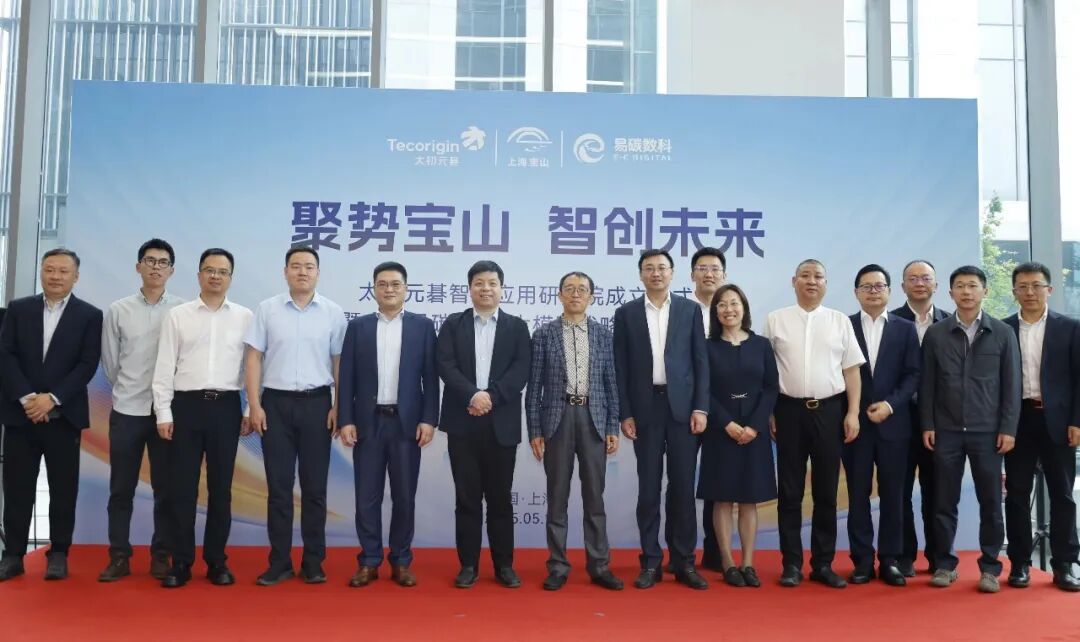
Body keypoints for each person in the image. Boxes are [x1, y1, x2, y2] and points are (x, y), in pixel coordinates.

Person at [244, 247, 346, 586]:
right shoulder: (267, 309)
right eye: (296, 266)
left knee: (315, 489)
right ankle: (280, 562)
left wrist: (338, 406)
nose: (302, 272)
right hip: (275, 405)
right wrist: (254, 405)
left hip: (318, 405)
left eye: (309, 266)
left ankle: (314, 561)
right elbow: (254, 358)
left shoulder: (332, 313)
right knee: (279, 488)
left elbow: (338, 363)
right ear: (285, 271)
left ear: (318, 272)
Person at [0, 248, 103, 582]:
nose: (55, 276)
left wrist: (52, 399)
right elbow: (6, 355)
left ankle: (58, 553)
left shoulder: (90, 315)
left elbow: (87, 363)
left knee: (63, 489)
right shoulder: (19, 309)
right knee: (17, 488)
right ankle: (13, 555)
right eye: (49, 269)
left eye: (63, 271)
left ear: (76, 276)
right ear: (42, 272)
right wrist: (29, 398)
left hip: (64, 417)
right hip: (21, 415)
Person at [152, 248, 253, 588]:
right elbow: (164, 366)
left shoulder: (245, 317)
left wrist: (249, 409)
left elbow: (252, 368)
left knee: (221, 490)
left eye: (222, 271)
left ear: (230, 278)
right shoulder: (178, 316)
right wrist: (163, 412)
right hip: (186, 406)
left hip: (226, 407)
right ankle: (180, 562)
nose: (215, 276)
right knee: (182, 489)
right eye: (209, 270)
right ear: (198, 275)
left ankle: (216, 562)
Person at [613, 249, 709, 590]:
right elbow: (620, 367)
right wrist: (625, 412)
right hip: (646, 409)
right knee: (649, 489)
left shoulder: (689, 310)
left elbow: (700, 361)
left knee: (683, 487)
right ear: (641, 274)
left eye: (662, 268)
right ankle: (650, 561)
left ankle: (684, 562)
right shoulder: (626, 314)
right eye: (649, 268)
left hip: (682, 409)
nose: (656, 273)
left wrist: (701, 408)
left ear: (672, 273)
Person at [763, 259, 863, 589]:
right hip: (787, 411)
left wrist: (852, 412)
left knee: (826, 491)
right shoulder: (775, 320)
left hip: (830, 411)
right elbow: (766, 372)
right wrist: (770, 412)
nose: (811, 281)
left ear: (826, 283)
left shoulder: (839, 321)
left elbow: (852, 371)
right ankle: (791, 563)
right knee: (790, 491)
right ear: (793, 281)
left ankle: (823, 563)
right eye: (805, 275)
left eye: (818, 276)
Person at [338, 261, 438, 588]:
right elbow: (347, 376)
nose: (389, 289)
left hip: (406, 425)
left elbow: (430, 379)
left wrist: (428, 419)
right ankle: (369, 561)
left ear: (406, 289)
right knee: (366, 497)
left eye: (395, 284)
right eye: (382, 284)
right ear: (374, 289)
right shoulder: (359, 327)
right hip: (368, 423)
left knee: (404, 496)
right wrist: (345, 419)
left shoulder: (423, 327)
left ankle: (401, 560)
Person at [921, 265, 1020, 593]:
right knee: (943, 500)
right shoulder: (936, 334)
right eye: (960, 286)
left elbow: (1012, 384)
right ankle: (945, 564)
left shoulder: (1002, 333)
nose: (966, 291)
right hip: (946, 430)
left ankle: (990, 567)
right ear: (950, 293)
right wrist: (928, 423)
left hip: (988, 432)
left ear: (985, 291)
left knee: (991, 502)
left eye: (973, 285)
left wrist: (1008, 427)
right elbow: (927, 384)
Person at [526, 271, 623, 591]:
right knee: (557, 497)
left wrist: (612, 425)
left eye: (582, 289)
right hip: (558, 418)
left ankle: (599, 565)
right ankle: (557, 565)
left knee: (595, 497)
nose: (576, 294)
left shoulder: (603, 335)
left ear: (592, 297)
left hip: (594, 419)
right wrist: (535, 429)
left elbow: (611, 383)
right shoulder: (544, 334)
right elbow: (534, 387)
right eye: (569, 288)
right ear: (559, 295)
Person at [437, 260, 531, 589]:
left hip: (501, 424)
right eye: (479, 283)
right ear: (470, 288)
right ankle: (468, 565)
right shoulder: (453, 324)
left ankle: (504, 565)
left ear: (501, 288)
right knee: (467, 499)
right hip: (462, 423)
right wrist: (473, 395)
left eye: (492, 283)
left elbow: (521, 370)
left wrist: (490, 397)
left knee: (500, 499)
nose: (486, 289)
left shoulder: (517, 327)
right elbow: (445, 365)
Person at [98, 239, 185, 582]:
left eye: (163, 262)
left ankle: (161, 555)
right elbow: (110, 364)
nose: (156, 267)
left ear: (172, 271)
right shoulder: (118, 310)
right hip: (127, 410)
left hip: (167, 414)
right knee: (121, 488)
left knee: (166, 489)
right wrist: (129, 389)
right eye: (150, 261)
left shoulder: (182, 310)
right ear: (138, 267)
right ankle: (119, 555)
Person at [1002, 261, 1080, 591]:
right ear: (1014, 291)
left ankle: (1064, 564)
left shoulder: (1070, 327)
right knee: (1017, 493)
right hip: (1018, 420)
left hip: (1059, 421)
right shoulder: (1003, 328)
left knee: (1062, 494)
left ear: (1049, 289)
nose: (1029, 292)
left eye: (1036, 285)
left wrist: (1077, 420)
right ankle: (1020, 563)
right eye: (1022, 286)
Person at [842, 264, 920, 587]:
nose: (873, 291)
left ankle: (890, 560)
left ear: (889, 290)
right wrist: (853, 411)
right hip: (855, 426)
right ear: (856, 292)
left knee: (894, 495)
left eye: (879, 286)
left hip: (894, 424)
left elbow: (913, 374)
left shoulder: (905, 328)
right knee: (857, 495)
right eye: (867, 286)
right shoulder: (843, 326)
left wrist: (890, 405)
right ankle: (862, 561)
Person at [696, 283, 777, 588]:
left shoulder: (761, 345)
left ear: (744, 308)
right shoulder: (707, 347)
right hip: (720, 430)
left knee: (749, 499)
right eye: (722, 305)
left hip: (754, 432)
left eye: (734, 303)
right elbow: (703, 389)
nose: (728, 309)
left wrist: (755, 426)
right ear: (715, 312)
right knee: (722, 498)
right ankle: (728, 562)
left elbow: (771, 388)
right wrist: (726, 423)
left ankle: (748, 563)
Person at [892, 259, 950, 577]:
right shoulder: (890, 321)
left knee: (937, 491)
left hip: (941, 422)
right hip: (900, 418)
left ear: (936, 285)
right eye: (912, 279)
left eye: (925, 278)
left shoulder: (951, 322)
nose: (919, 283)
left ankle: (939, 556)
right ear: (902, 286)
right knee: (900, 491)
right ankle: (904, 556)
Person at [671, 246, 726, 572]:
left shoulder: (731, 309)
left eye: (715, 268)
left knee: (717, 481)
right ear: (692, 274)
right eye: (702, 268)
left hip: (722, 407)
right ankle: (680, 554)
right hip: (684, 407)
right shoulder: (678, 311)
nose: (709, 274)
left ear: (724, 274)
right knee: (680, 481)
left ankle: (716, 552)